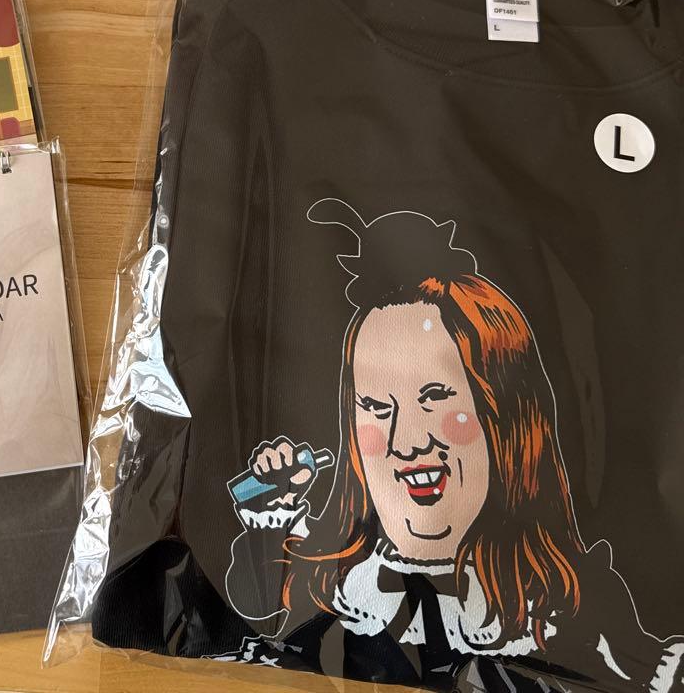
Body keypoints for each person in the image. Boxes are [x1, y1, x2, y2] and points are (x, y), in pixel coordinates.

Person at [223, 200, 684, 691]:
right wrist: (273, 513)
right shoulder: (343, 582)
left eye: (436, 397)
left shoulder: (566, 599)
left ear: (505, 412)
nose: (407, 442)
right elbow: (254, 600)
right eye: (376, 406)